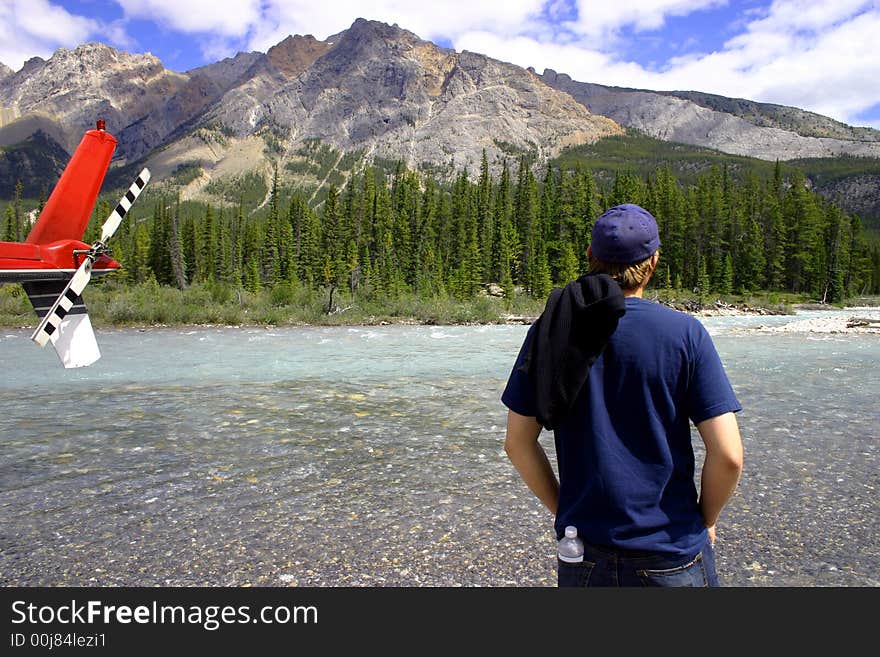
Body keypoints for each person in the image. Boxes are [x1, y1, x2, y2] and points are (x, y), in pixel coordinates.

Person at [502, 203, 743, 587]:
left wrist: (564, 509)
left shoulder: (551, 330)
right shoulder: (685, 334)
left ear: (590, 258)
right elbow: (729, 456)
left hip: (583, 554)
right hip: (671, 550)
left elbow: (517, 443)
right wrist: (707, 519)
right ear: (653, 263)